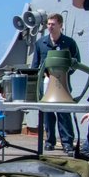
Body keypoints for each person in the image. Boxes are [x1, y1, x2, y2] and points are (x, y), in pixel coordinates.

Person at [31, 13, 81, 153]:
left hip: (62, 84)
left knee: (64, 113)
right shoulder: (41, 43)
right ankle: (50, 141)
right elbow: (35, 65)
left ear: (60, 25)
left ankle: (67, 142)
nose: (50, 27)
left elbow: (76, 62)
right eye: (48, 24)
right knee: (48, 114)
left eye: (53, 24)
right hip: (46, 83)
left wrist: (65, 74)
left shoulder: (69, 43)